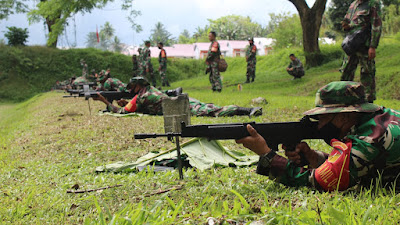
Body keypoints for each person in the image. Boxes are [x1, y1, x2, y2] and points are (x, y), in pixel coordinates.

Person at [236, 81, 400, 191]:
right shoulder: (380, 118)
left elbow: (314, 182)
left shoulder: (370, 140)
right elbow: (352, 162)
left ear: (344, 117)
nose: (319, 125)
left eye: (323, 118)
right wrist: (315, 157)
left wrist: (266, 154)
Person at [93, 77, 262, 117]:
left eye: (133, 88)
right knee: (211, 106)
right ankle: (248, 110)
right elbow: (134, 105)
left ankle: (249, 110)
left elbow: (122, 112)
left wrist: (105, 102)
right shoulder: (149, 91)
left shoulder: (142, 97)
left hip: (180, 108)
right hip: (181, 102)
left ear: (139, 86)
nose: (131, 91)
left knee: (215, 111)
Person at [340, 0, 382, 103]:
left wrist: (373, 46)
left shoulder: (372, 3)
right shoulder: (353, 5)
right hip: (351, 45)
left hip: (365, 45)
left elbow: (376, 25)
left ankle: (368, 102)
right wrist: (346, 26)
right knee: (346, 71)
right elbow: (349, 23)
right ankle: (344, 98)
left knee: (367, 73)